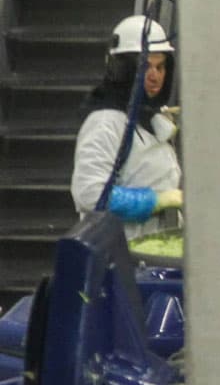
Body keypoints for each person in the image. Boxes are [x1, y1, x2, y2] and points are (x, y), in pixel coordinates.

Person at [70, 15, 182, 233]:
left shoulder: (145, 118)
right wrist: (155, 201)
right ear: (123, 71)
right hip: (122, 257)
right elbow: (90, 193)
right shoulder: (105, 123)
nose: (155, 76)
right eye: (146, 67)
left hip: (151, 249)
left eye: (160, 67)